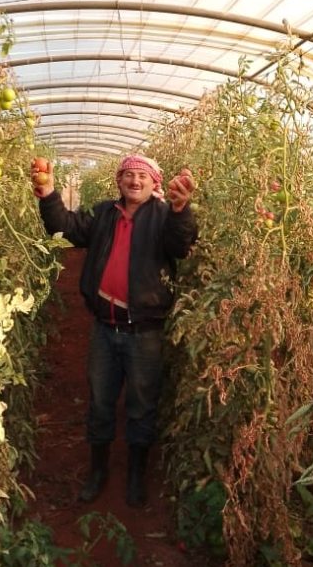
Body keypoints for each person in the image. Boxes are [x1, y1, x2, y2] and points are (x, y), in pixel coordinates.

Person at [30, 154, 198, 507]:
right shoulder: (105, 213)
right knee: (101, 401)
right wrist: (48, 194)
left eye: (142, 176)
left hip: (145, 331)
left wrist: (182, 210)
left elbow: (181, 246)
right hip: (105, 328)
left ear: (155, 184)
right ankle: (98, 471)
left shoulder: (165, 216)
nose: (135, 181)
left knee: (141, 404)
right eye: (128, 175)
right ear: (119, 181)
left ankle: (136, 475)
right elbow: (67, 228)